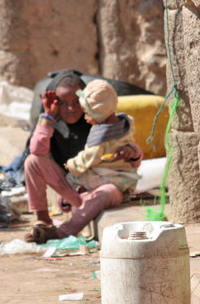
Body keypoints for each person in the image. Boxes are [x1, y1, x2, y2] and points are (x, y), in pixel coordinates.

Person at [24, 71, 142, 243]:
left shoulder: (103, 124)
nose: (71, 109)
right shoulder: (52, 122)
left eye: (75, 103)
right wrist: (47, 118)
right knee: (32, 161)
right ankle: (43, 220)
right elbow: (35, 150)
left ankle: (63, 232)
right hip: (73, 188)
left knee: (108, 192)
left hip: (101, 189)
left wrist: (132, 153)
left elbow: (135, 159)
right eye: (63, 103)